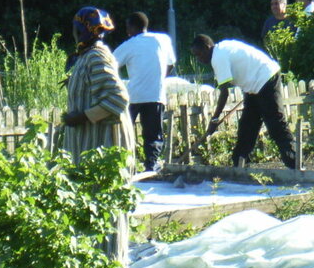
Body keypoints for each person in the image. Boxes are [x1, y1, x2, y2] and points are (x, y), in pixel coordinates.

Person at [62, 6, 135, 265]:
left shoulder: (96, 57)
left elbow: (117, 98)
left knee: (105, 204)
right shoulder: (88, 55)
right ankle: (95, 264)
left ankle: (110, 267)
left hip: (102, 145)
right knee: (91, 204)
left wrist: (81, 117)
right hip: (89, 146)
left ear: (82, 28)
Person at [191, 34, 296, 169]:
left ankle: (295, 164)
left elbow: (224, 92)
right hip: (253, 86)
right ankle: (240, 164)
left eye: (199, 54)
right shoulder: (222, 48)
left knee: (275, 123)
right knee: (248, 125)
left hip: (265, 78)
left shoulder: (218, 57)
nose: (199, 59)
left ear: (207, 48)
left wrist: (214, 120)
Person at [113, 11, 175, 172]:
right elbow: (171, 64)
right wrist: (158, 78)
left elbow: (110, 64)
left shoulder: (129, 45)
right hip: (156, 95)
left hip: (133, 96)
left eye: (128, 28)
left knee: (124, 131)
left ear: (132, 27)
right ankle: (151, 165)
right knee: (153, 134)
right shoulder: (163, 40)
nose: (127, 31)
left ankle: (123, 165)